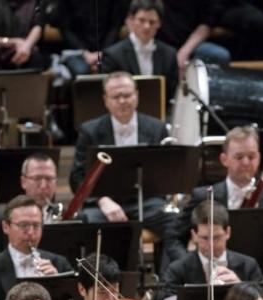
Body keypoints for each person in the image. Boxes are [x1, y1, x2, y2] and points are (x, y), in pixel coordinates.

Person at [69, 71, 183, 268]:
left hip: (147, 202)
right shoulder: (89, 131)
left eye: (127, 95)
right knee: (85, 222)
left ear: (137, 95)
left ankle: (168, 287)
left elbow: (167, 172)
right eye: (116, 97)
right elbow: (77, 178)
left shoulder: (157, 128)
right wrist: (103, 201)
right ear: (106, 100)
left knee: (175, 222)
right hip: (104, 204)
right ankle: (103, 284)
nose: (123, 101)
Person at [175, 125, 263, 246]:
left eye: (251, 157)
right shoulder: (203, 197)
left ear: (259, 158)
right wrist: (189, 263)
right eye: (239, 157)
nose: (246, 162)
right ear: (224, 159)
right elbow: (174, 236)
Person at [162, 200, 263, 298]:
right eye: (205, 238)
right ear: (194, 235)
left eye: (216, 237)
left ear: (228, 232)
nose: (211, 244)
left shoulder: (249, 266)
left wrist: (241, 290)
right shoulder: (177, 271)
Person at [0, 153, 63, 258]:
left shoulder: (67, 218)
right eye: (37, 178)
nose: (43, 186)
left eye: (49, 178)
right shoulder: (0, 218)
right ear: (23, 181)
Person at [101, 0, 178, 103]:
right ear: (131, 20)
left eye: (152, 22)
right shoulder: (112, 55)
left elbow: (171, 94)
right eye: (141, 20)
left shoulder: (170, 55)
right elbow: (110, 94)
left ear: (159, 24)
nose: (147, 26)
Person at [57, 0, 124, 77]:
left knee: (114, 68)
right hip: (77, 52)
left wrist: (102, 53)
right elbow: (66, 29)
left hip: (107, 50)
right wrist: (84, 52)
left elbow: (115, 27)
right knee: (81, 71)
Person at [156, 0, 230, 70]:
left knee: (219, 55)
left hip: (190, 43)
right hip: (160, 42)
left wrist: (184, 53)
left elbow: (207, 23)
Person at [0, 0, 49, 70]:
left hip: (27, 49)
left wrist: (26, 46)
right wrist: (12, 41)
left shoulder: (36, 3)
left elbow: (38, 25)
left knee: (36, 57)